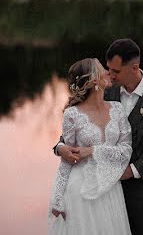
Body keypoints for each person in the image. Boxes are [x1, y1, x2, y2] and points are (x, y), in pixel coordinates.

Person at [54, 39, 143, 235]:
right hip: (106, 190)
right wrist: (59, 147)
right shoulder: (106, 90)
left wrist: (133, 170)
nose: (110, 75)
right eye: (108, 69)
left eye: (116, 71)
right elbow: (78, 125)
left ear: (134, 68)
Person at [48, 58, 133, 234]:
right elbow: (67, 159)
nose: (108, 72)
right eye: (103, 69)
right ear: (94, 80)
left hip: (110, 188)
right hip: (80, 190)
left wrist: (93, 150)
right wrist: (57, 199)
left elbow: (126, 151)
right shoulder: (72, 114)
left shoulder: (117, 109)